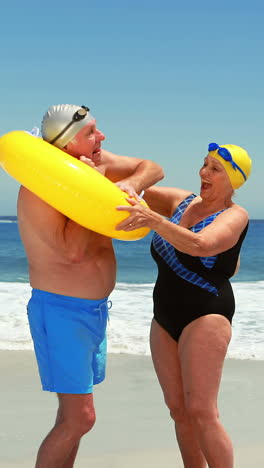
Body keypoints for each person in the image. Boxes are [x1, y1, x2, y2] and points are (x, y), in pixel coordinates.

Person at [17, 104, 164, 468]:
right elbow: (74, 254)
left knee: (74, 419)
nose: (102, 138)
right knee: (80, 418)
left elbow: (154, 168)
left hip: (93, 313)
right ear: (67, 145)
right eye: (92, 133)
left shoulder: (98, 162)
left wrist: (129, 184)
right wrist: (92, 190)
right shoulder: (40, 188)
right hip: (61, 311)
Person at [116, 142, 252, 468]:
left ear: (233, 180)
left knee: (202, 411)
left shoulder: (236, 216)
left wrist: (153, 220)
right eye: (204, 164)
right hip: (163, 315)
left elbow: (201, 245)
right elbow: (127, 188)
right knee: (177, 409)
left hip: (206, 314)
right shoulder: (181, 201)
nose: (204, 173)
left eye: (215, 169)